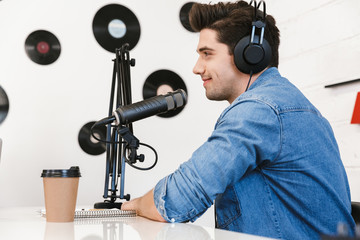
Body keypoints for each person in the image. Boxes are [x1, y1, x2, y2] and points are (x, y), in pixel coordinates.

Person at [122, 1, 355, 239]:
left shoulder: (260, 111)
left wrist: (136, 205)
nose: (196, 67)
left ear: (250, 54)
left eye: (207, 54)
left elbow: (174, 202)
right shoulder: (293, 106)